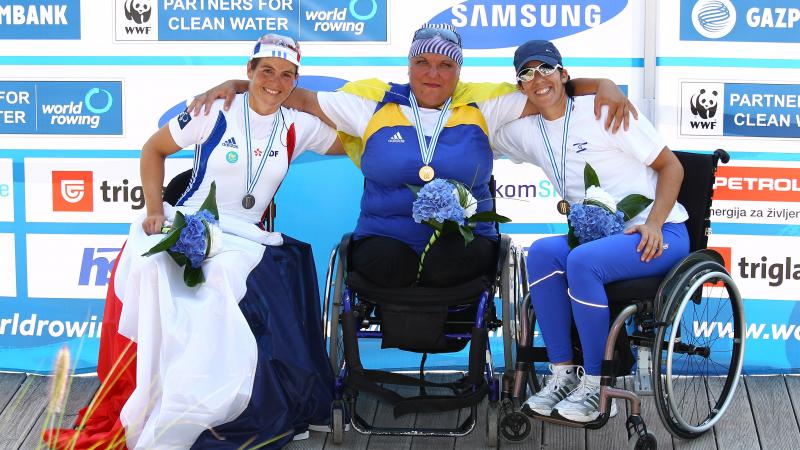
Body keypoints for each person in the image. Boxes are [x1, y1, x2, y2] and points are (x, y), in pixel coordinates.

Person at [44, 33, 342, 450]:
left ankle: (216, 400)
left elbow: (354, 141)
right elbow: (153, 149)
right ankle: (161, 390)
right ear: (249, 71)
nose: (275, 82)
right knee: (152, 268)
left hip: (246, 235)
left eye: (286, 75)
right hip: (188, 221)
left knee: (220, 278)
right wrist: (152, 208)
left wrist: (304, 98)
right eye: (265, 72)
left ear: (296, 80)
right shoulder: (214, 109)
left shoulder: (299, 125)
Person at [190, 23, 637, 289]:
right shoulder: (374, 103)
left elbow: (545, 90)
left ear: (458, 70)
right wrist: (238, 85)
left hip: (464, 240)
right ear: (409, 67)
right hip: (386, 238)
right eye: (423, 62)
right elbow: (297, 96)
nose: (433, 73)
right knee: (387, 263)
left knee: (449, 263)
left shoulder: (483, 105)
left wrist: (604, 85)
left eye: (445, 65)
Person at [491, 40, 690, 423]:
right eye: (526, 74)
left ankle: (599, 385)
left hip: (660, 233)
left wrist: (653, 223)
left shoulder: (604, 110)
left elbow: (673, 168)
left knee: (581, 260)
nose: (538, 78)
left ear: (564, 74)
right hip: (600, 240)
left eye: (547, 68)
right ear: (520, 88)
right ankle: (564, 375)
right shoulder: (528, 131)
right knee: (543, 253)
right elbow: (482, 126)